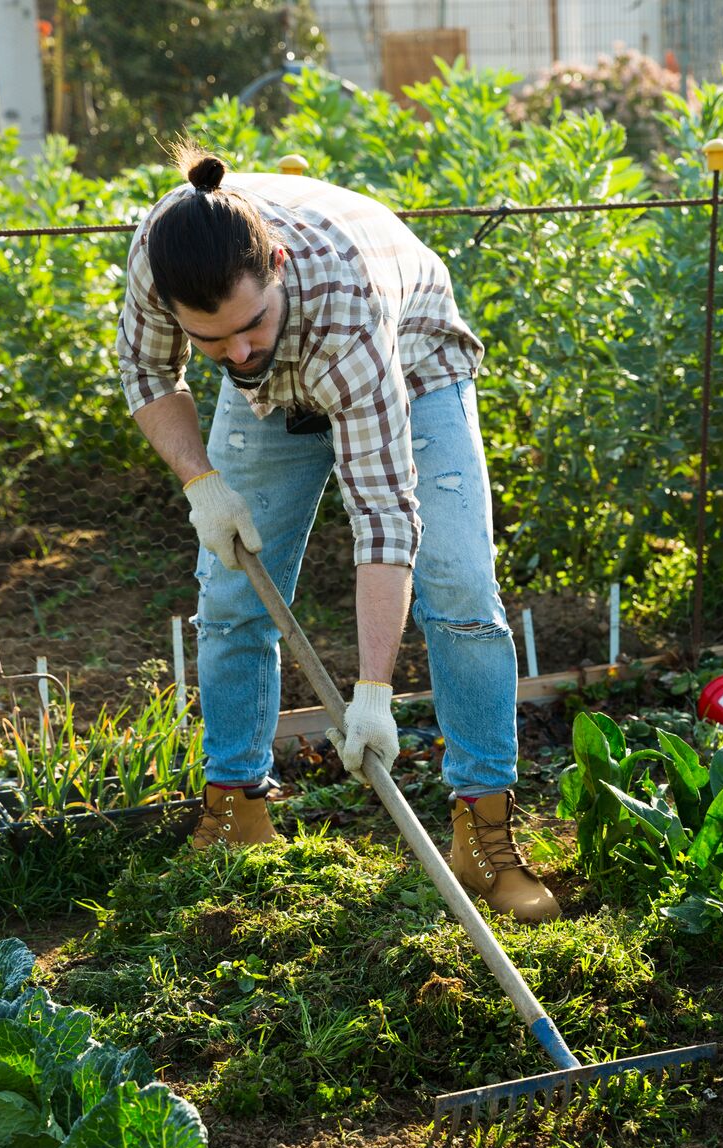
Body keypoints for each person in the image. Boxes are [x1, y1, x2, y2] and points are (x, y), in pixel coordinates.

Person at [116, 147, 559, 924]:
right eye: (213, 341)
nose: (239, 353)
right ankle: (236, 813)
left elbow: (384, 516)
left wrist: (375, 696)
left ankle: (484, 835)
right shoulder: (163, 260)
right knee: (230, 590)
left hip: (410, 367)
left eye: (251, 325)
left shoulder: (347, 307)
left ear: (277, 266)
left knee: (459, 589)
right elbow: (149, 374)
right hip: (277, 406)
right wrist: (201, 482)